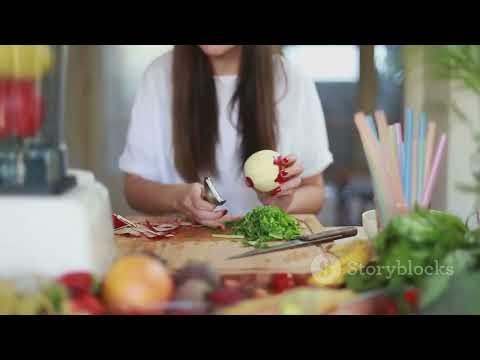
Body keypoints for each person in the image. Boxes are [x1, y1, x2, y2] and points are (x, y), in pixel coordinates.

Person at [119, 45, 333, 229]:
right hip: (184, 248)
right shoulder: (159, 75)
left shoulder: (292, 79)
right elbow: (134, 188)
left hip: (267, 252)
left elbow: (316, 192)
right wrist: (179, 197)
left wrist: (286, 202)